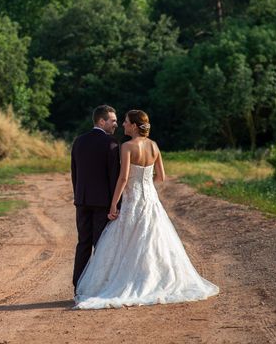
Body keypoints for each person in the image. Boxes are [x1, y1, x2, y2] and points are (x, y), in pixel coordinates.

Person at [74, 110, 219, 309]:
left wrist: (114, 203)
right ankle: (155, 280)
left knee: (128, 241)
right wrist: (146, 185)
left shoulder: (126, 147)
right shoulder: (154, 146)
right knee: (151, 241)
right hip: (150, 199)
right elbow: (161, 177)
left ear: (134, 125)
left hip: (133, 200)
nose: (122, 125)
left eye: (125, 122)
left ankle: (126, 282)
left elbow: (123, 178)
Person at [70, 104, 121, 295]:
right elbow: (113, 177)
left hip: (82, 201)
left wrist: (79, 196)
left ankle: (78, 287)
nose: (116, 124)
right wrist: (116, 205)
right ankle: (98, 287)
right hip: (103, 204)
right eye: (113, 120)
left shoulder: (78, 141)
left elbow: (75, 173)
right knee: (101, 246)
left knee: (83, 243)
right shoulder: (111, 144)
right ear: (102, 121)